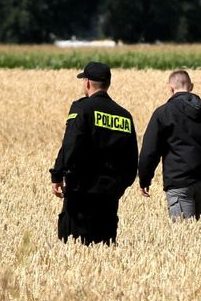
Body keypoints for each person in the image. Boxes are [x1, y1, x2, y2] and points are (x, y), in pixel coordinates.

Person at [49, 62, 138, 245]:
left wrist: (57, 174)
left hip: (81, 193)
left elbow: (70, 145)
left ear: (87, 82)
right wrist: (119, 187)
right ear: (108, 84)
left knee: (75, 248)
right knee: (104, 250)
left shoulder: (82, 109)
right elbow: (131, 161)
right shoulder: (124, 115)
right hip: (109, 196)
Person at [137, 69, 201, 220]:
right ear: (192, 87)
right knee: (197, 235)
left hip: (179, 183)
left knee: (184, 235)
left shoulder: (163, 113)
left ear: (170, 88)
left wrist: (144, 178)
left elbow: (150, 151)